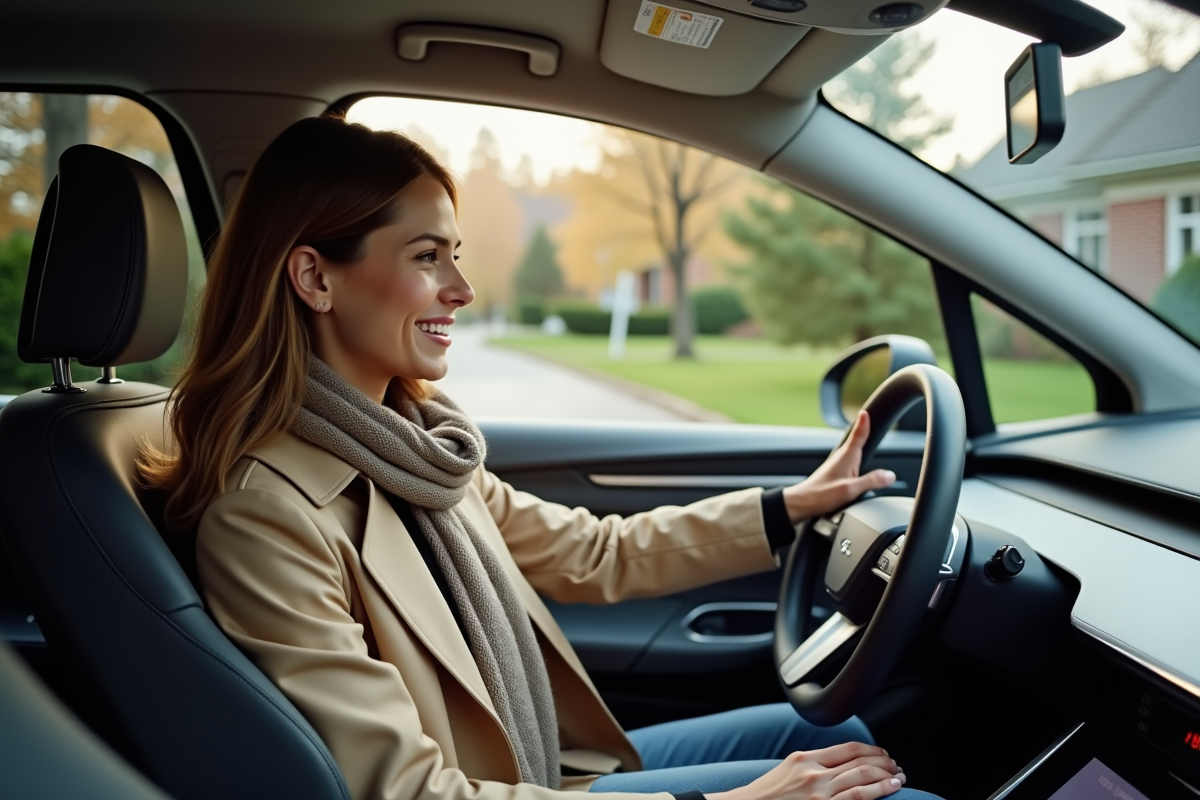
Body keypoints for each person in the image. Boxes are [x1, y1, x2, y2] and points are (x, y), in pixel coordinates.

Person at [141, 115, 938, 800]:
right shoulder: (266, 514)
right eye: (427, 257)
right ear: (315, 276)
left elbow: (593, 553)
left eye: (455, 253)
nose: (462, 288)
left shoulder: (417, 450)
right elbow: (404, 791)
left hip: (540, 772)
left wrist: (789, 507)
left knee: (833, 725)